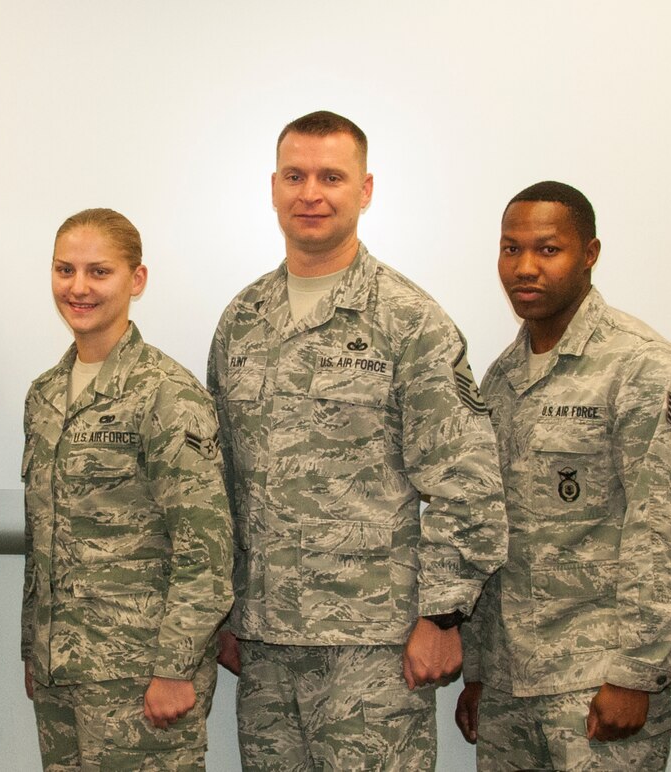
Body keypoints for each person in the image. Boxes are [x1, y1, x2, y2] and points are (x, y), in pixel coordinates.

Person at [207, 110, 508, 770]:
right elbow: (221, 484)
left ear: (364, 190)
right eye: (296, 175)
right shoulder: (242, 322)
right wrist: (223, 614)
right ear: (273, 187)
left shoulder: (408, 320)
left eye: (331, 177)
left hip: (374, 649)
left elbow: (467, 479)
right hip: (265, 645)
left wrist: (444, 617)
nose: (311, 192)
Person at [454, 182, 671, 771]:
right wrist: (479, 671)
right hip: (512, 687)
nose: (526, 267)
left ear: (589, 254)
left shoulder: (642, 366)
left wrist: (637, 673)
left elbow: (668, 527)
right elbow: (492, 534)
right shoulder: (500, 379)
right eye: (510, 249)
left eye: (548, 249)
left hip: (596, 683)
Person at [20, 208, 235, 770]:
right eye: (64, 270)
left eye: (99, 271)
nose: (78, 287)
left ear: (136, 280)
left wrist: (175, 667)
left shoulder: (166, 394)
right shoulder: (45, 396)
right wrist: (34, 648)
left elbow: (205, 545)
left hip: (140, 678)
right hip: (61, 672)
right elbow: (42, 533)